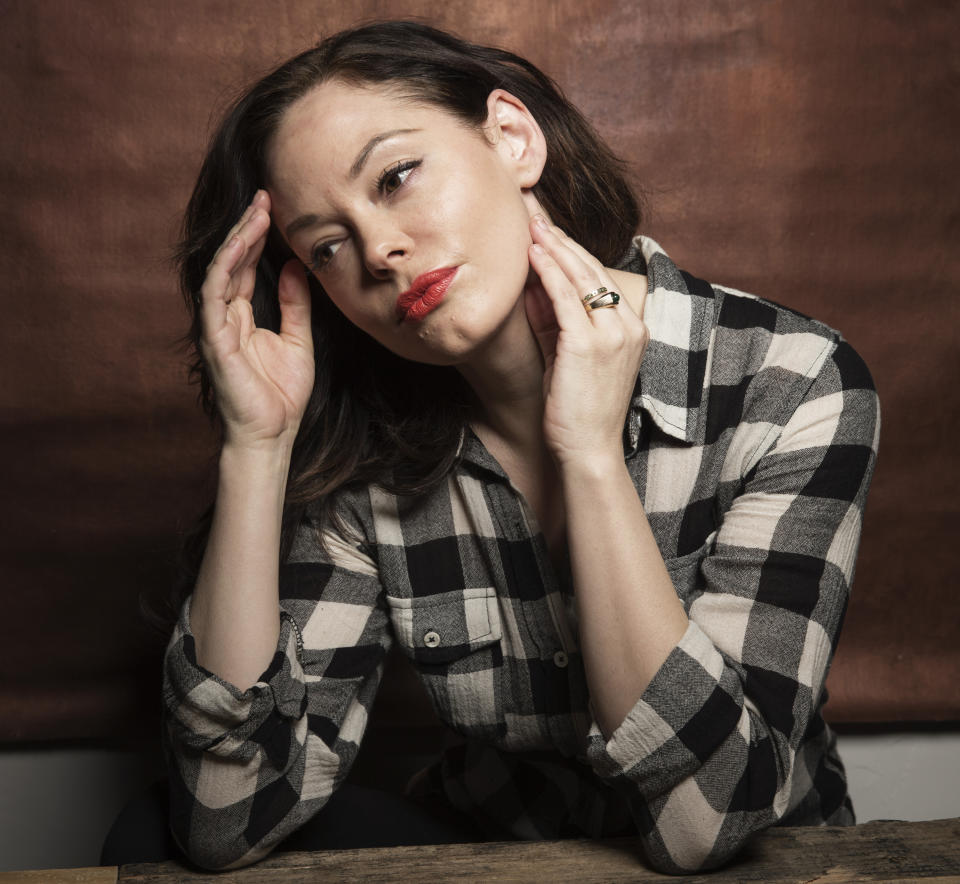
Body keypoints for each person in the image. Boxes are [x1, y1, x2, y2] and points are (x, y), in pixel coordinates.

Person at [162, 20, 879, 874]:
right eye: (327, 245)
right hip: (506, 857)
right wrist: (256, 446)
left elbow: (706, 823)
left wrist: (587, 454)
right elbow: (226, 818)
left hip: (761, 866)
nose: (381, 251)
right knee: (143, 836)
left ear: (511, 137)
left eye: (396, 178)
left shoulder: (790, 380)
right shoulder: (365, 444)